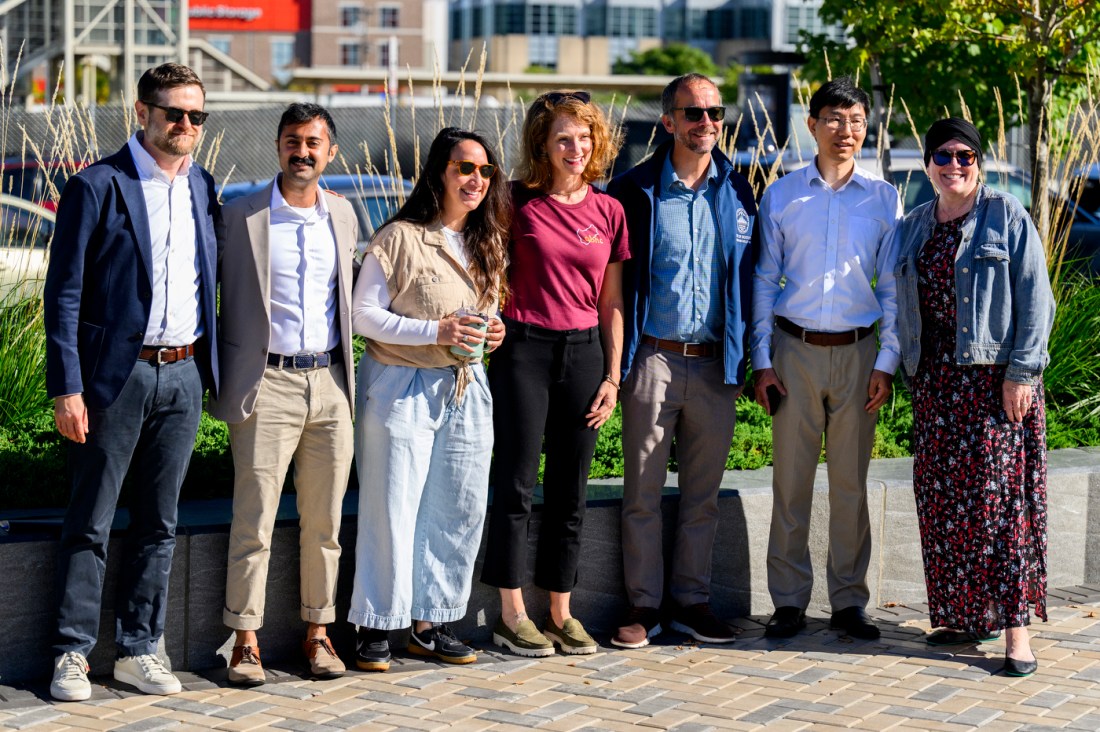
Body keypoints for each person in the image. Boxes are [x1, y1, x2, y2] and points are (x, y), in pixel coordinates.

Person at [43, 63, 219, 701]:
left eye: (197, 116)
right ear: (142, 112)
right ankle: (72, 651)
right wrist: (67, 387)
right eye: (174, 112)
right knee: (90, 521)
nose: (186, 125)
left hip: (183, 374)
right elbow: (62, 294)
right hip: (112, 380)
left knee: (159, 523)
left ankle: (140, 648)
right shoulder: (98, 185)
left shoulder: (203, 186)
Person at [894, 118, 1054, 677]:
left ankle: (1016, 629)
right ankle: (963, 614)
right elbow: (896, 304)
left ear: (979, 161)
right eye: (942, 156)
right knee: (943, 506)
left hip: (993, 386)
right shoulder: (914, 225)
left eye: (965, 155)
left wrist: (1021, 374)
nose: (954, 165)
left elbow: (1036, 299)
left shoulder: (1005, 214)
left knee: (1001, 509)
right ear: (927, 165)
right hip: (936, 388)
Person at [349, 127, 510, 670]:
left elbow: (488, 312)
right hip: (400, 385)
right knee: (391, 505)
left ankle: (429, 623)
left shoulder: (488, 240)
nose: (477, 180)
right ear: (440, 171)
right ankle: (375, 624)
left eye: (485, 171)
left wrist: (495, 332)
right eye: (465, 168)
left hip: (467, 387)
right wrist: (434, 333)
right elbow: (363, 314)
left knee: (455, 509)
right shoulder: (400, 236)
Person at [606, 73, 756, 648]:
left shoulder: (739, 191)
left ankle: (691, 602)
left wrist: (750, 357)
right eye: (694, 113)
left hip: (716, 365)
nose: (707, 123)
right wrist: (616, 365)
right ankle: (644, 607)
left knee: (703, 497)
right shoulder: (633, 191)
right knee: (641, 492)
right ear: (668, 121)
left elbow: (752, 278)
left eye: (716, 113)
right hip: (654, 360)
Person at [209, 103, 357, 685]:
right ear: (277, 146)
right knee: (255, 519)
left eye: (314, 142)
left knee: (325, 525)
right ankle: (244, 641)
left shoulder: (343, 215)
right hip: (263, 383)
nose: (303, 150)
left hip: (329, 383)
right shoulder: (240, 214)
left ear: (330, 152)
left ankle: (318, 635)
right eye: (293, 140)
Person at [752, 76, 901, 641]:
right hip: (794, 352)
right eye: (834, 119)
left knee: (850, 486)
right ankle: (787, 601)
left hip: (860, 355)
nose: (847, 131)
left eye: (857, 120)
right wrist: (762, 361)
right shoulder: (784, 194)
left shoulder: (884, 197)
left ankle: (848, 602)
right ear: (812, 125)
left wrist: (886, 362)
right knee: (790, 484)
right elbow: (766, 279)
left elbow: (889, 285)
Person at [480, 90, 628, 657]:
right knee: (515, 485)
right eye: (563, 137)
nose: (575, 147)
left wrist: (613, 376)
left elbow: (611, 301)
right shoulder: (514, 200)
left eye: (584, 137)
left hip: (585, 354)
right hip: (523, 349)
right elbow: (486, 270)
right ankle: (511, 612)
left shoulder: (609, 210)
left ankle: (560, 610)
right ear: (542, 143)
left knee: (571, 490)